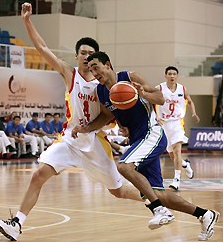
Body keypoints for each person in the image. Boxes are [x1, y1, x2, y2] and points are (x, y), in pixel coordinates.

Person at [0, 2, 174, 241]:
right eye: (83, 53)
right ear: (76, 56)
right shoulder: (69, 73)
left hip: (96, 141)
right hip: (70, 138)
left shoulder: (107, 84)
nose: (87, 57)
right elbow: (43, 48)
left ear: (97, 59)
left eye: (91, 53)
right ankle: (16, 223)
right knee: (38, 175)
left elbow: (113, 111)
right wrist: (26, 21)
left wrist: (122, 123)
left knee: (117, 191)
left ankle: (156, 201)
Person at [71, 51, 220, 241]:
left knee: (124, 167)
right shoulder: (100, 91)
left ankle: (159, 210)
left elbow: (161, 99)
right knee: (160, 194)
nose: (94, 73)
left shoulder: (130, 78)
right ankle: (204, 214)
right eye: (91, 70)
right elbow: (108, 115)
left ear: (107, 65)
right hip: (137, 140)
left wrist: (144, 93)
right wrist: (92, 128)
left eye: (96, 68)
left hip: (152, 134)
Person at [156, 66, 200, 191]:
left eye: (174, 74)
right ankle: (185, 164)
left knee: (177, 151)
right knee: (171, 155)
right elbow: (149, 101)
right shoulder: (159, 88)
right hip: (164, 123)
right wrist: (155, 116)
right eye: (169, 74)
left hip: (177, 123)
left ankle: (176, 180)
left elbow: (190, 101)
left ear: (177, 76)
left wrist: (194, 113)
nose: (172, 76)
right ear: (165, 76)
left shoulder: (182, 89)